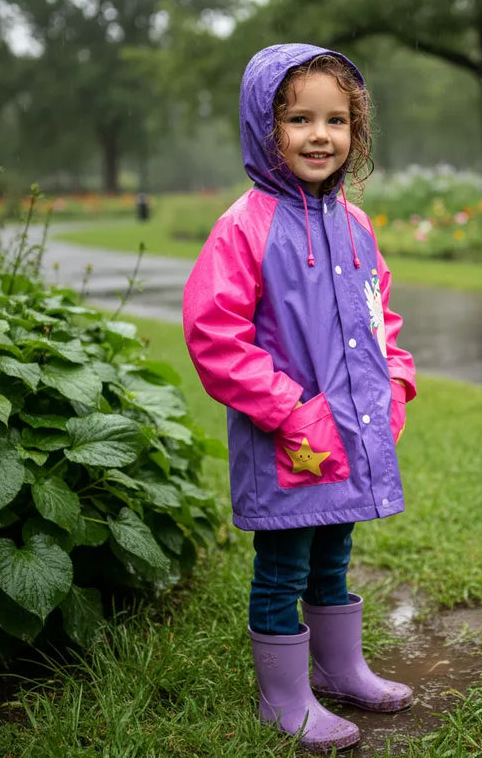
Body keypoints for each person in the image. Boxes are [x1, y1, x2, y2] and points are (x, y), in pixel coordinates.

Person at [183, 43, 417, 752]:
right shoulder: (244, 227)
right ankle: (284, 697)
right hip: (287, 434)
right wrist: (290, 411)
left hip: (347, 430)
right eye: (299, 119)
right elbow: (215, 334)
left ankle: (340, 666)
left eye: (337, 120)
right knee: (283, 564)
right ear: (266, 128)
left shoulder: (354, 223)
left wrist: (397, 377)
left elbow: (379, 311)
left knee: (335, 549)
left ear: (357, 131)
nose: (321, 135)